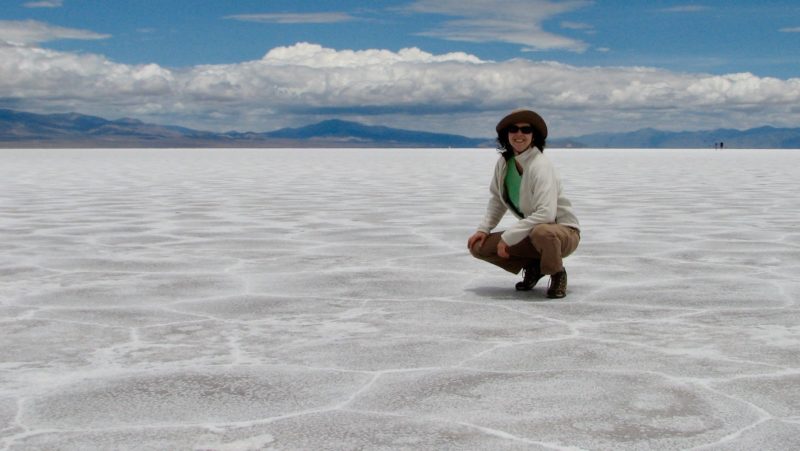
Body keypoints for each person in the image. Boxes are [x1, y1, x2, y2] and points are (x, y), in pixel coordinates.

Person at [467, 109, 580, 298]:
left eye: (526, 130)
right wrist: (483, 229)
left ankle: (557, 272)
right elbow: (497, 200)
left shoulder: (540, 165)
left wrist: (508, 237)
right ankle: (534, 266)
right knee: (479, 247)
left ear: (533, 136)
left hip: (563, 233)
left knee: (542, 231)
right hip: (533, 231)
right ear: (507, 134)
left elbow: (546, 214)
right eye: (513, 129)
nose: (519, 134)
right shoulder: (504, 164)